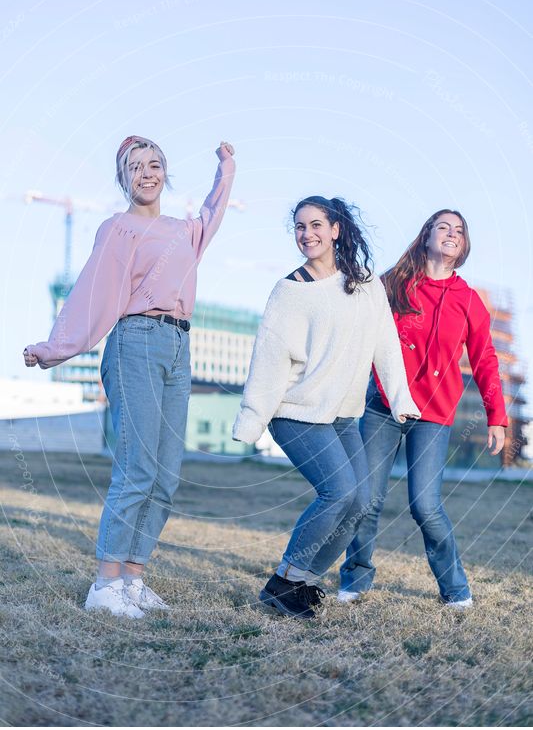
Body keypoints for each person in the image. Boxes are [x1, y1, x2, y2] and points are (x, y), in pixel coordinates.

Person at [24, 135, 236, 617]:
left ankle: (133, 579)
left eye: (155, 164)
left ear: (166, 172)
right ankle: (105, 585)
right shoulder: (117, 228)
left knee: (165, 472)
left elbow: (213, 213)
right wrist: (55, 348)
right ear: (123, 179)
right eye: (135, 166)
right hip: (135, 341)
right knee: (137, 466)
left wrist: (226, 168)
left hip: (180, 346)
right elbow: (92, 292)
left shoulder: (185, 231)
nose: (147, 172)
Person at [233, 196, 419, 620]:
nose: (307, 234)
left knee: (364, 500)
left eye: (316, 225)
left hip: (342, 415)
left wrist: (400, 397)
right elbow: (269, 358)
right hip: (295, 411)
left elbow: (385, 345)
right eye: (299, 227)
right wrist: (252, 418)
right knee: (339, 492)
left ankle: (302, 581)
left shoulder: (366, 283)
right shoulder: (290, 290)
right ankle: (285, 579)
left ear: (335, 229)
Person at [338, 210, 508, 610]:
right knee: (366, 499)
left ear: (463, 246)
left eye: (459, 230)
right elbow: (358, 332)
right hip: (383, 406)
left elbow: (484, 359)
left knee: (426, 506)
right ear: (427, 235)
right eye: (443, 227)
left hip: (434, 415)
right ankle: (356, 580)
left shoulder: (469, 300)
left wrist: (496, 416)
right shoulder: (393, 283)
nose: (452, 234)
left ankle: (455, 589)